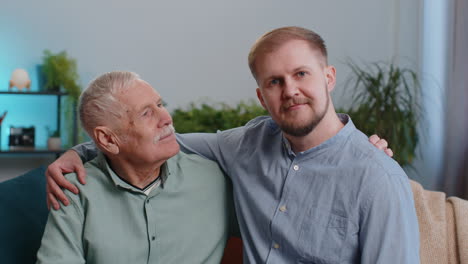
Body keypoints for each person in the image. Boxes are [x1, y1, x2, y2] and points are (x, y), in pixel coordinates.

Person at [45, 26, 417, 263]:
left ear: (328, 77)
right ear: (261, 96)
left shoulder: (377, 178)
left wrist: (369, 159)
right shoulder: (245, 145)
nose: (290, 91)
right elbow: (154, 145)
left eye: (301, 74)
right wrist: (77, 152)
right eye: (274, 82)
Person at [36, 71, 235, 263]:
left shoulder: (214, 178)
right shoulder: (75, 191)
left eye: (160, 104)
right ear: (107, 139)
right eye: (146, 113)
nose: (166, 118)